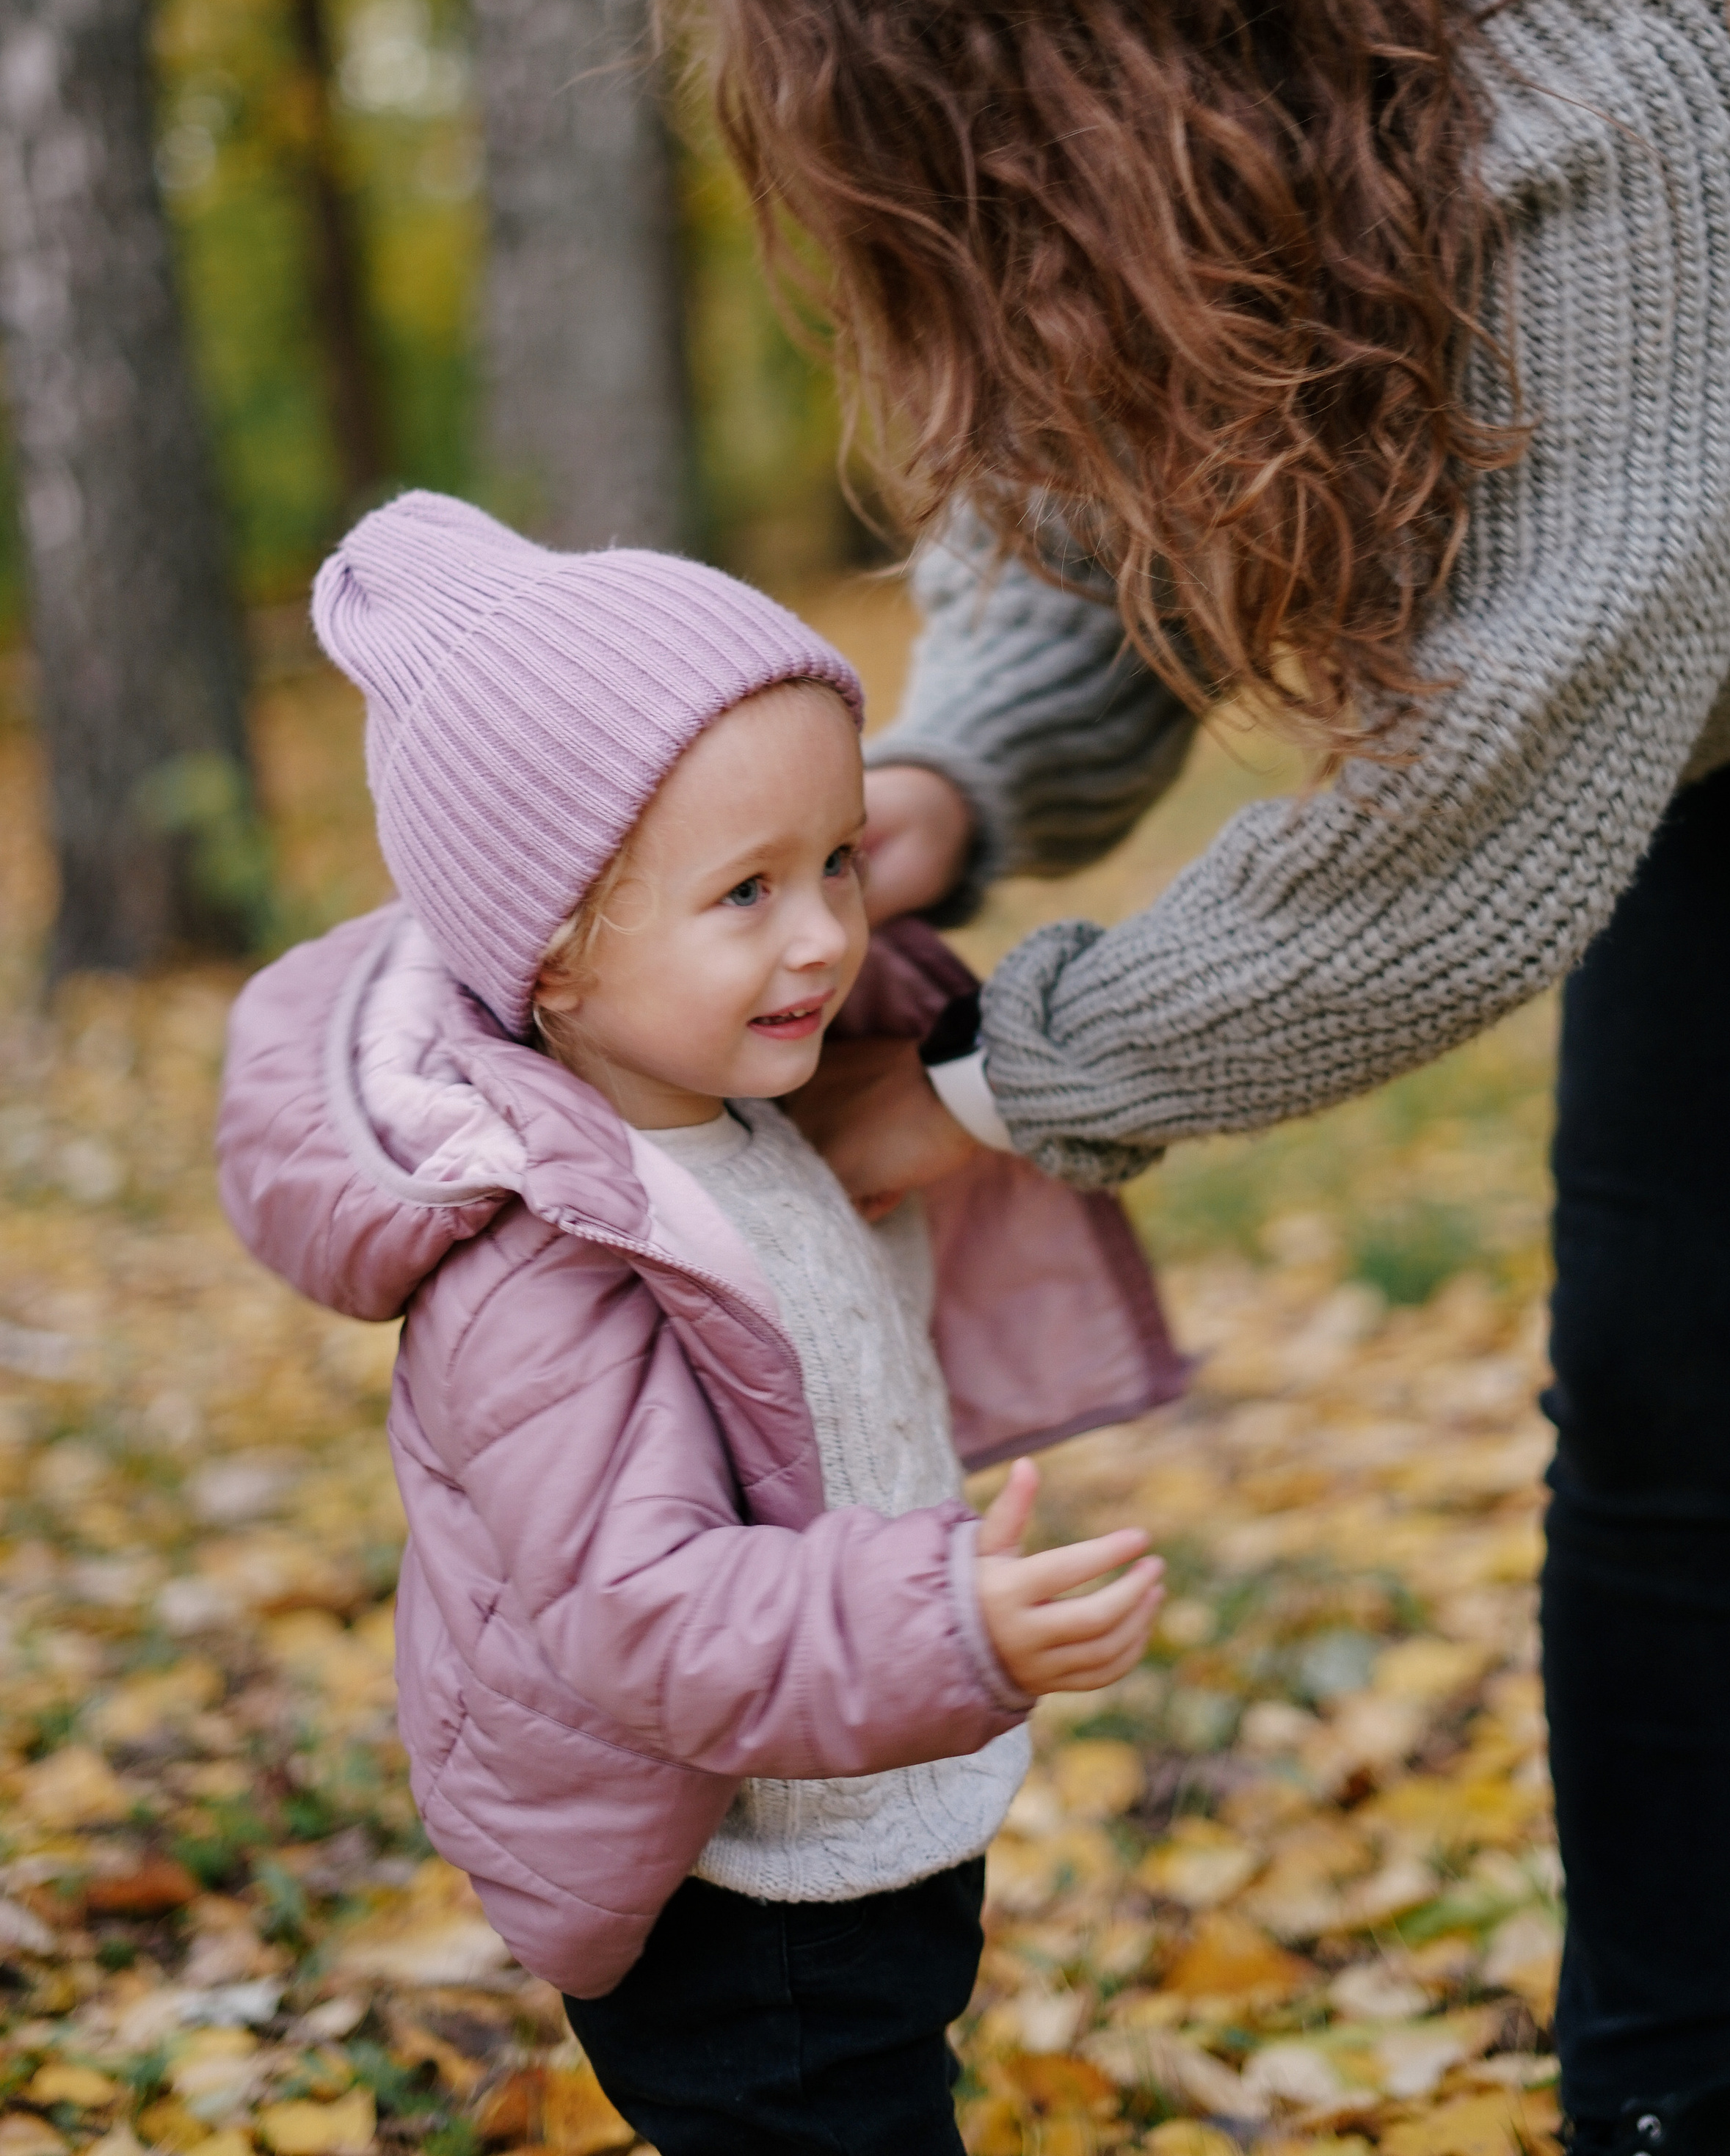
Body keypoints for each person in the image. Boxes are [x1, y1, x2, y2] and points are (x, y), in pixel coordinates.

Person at [637, 0, 1730, 2150]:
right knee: (1670, 1412)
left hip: (1696, 670)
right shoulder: (1200, 105)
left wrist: (983, 1089)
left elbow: (1481, 804)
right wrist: (931, 798)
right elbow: (1067, 507)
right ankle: (1656, 2121)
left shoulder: (1636, 38)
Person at [214, 489, 1183, 2156]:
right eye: (745, 891)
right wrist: (944, 1624)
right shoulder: (551, 1257)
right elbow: (635, 1607)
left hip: (844, 1805)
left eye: (837, 860)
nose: (823, 932)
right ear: (554, 956)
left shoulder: (745, 1109)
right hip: (742, 1910)